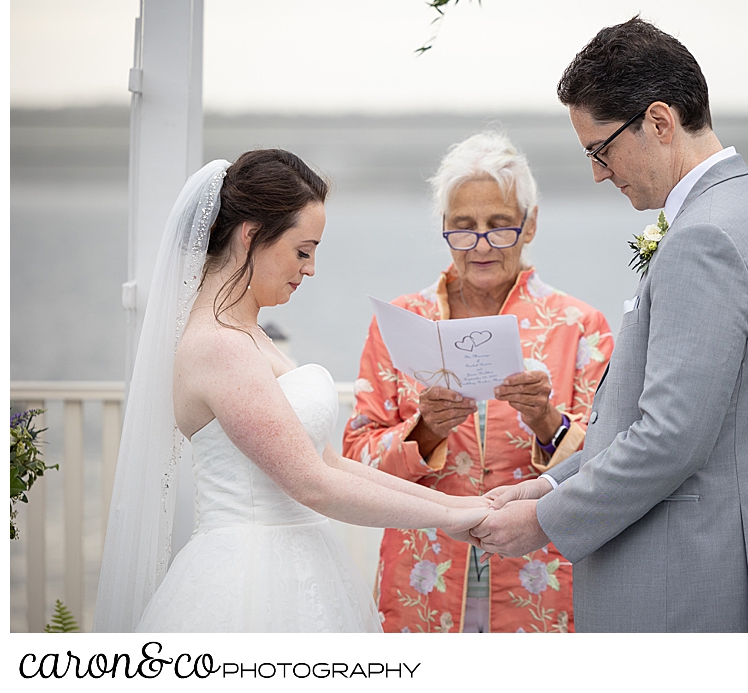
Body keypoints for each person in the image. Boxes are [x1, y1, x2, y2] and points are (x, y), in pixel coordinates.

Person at [472, 17, 748, 632]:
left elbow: (669, 438)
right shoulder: (741, 209)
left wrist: (545, 520)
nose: (598, 172)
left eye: (601, 149)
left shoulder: (704, 238)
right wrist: (547, 488)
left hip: (683, 576)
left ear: (658, 121)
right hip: (719, 555)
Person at [93, 150, 488, 633]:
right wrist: (448, 518)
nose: (312, 269)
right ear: (251, 235)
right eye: (303, 250)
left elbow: (328, 463)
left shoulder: (248, 333)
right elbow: (311, 484)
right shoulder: (219, 345)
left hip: (301, 560)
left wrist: (462, 504)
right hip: (250, 580)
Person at [342, 131, 613, 633]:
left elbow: (612, 461)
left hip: (543, 573)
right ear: (443, 227)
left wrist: (547, 422)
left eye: (500, 225)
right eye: (463, 227)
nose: (481, 244)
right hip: (423, 573)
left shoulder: (580, 326)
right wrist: (426, 432)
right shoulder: (400, 321)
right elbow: (355, 455)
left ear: (530, 225)